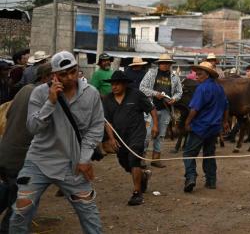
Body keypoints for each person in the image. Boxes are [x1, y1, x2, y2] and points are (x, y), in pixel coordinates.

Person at [10, 51, 103, 233]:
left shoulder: (91, 94)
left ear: (78, 70)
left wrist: (84, 159)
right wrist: (50, 102)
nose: (69, 77)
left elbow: (95, 128)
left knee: (89, 213)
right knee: (21, 210)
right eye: (63, 74)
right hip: (39, 161)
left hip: (73, 163)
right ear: (54, 75)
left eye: (73, 71)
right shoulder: (39, 93)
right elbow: (32, 128)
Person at [0, 63, 52, 233]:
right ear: (47, 78)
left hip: (6, 153)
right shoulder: (44, 97)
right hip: (22, 159)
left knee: (9, 193)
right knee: (22, 207)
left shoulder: (24, 90)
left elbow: (7, 115)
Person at [103, 71, 158, 206]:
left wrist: (155, 125)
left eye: (117, 84)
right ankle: (143, 176)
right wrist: (111, 138)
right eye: (112, 85)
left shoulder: (136, 95)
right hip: (120, 137)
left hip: (137, 134)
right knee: (125, 163)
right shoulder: (108, 100)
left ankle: (137, 193)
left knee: (134, 159)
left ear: (124, 85)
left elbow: (151, 109)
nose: (114, 87)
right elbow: (107, 121)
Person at [183, 61, 229, 193]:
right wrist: (225, 121)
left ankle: (190, 177)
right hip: (214, 128)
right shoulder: (219, 88)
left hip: (200, 127)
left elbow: (194, 109)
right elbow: (226, 105)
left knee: (188, 153)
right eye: (196, 74)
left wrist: (187, 122)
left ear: (207, 75)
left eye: (200, 74)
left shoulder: (201, 88)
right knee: (209, 154)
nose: (197, 77)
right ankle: (211, 181)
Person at [139, 53, 183, 168]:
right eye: (163, 63)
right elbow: (142, 87)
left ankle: (156, 159)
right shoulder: (151, 73)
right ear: (159, 64)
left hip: (166, 109)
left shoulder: (174, 77)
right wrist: (155, 94)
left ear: (170, 64)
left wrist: (174, 99)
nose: (165, 65)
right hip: (150, 108)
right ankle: (141, 158)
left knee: (161, 134)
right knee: (147, 134)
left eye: (167, 63)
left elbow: (179, 92)